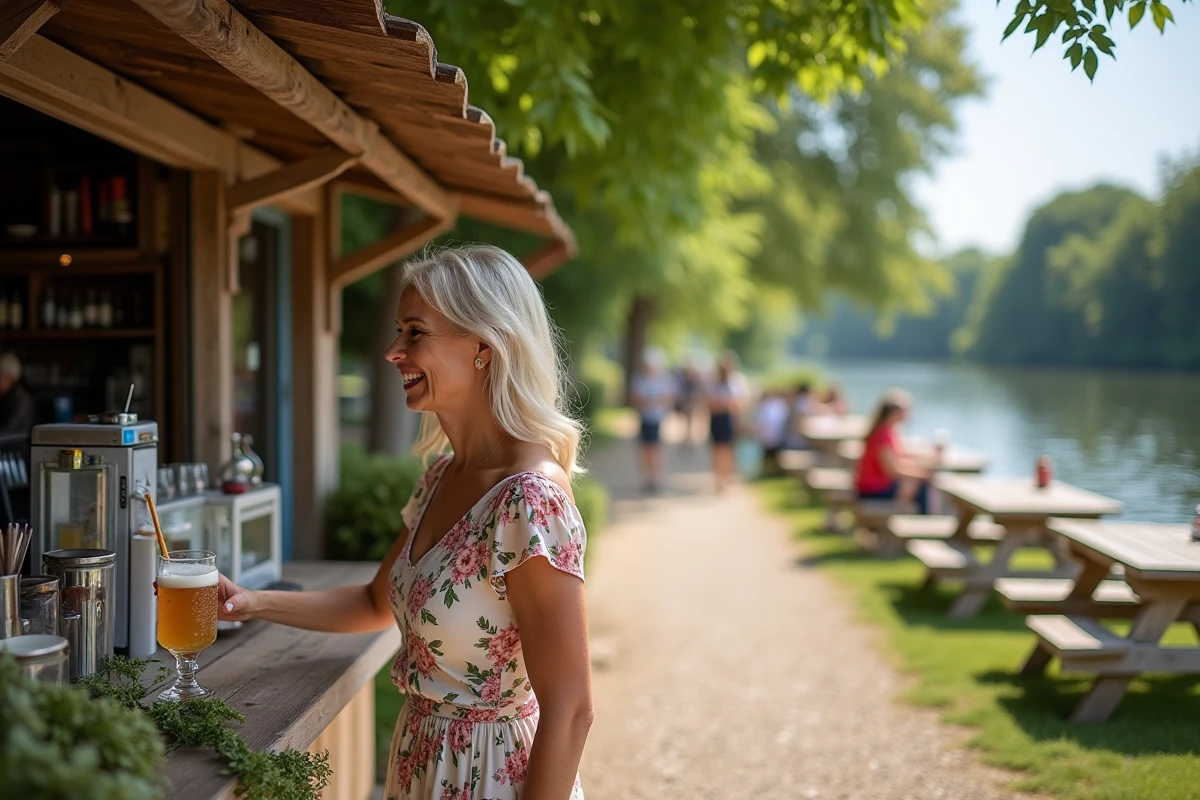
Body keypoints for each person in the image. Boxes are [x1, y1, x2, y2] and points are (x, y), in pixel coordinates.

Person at [218, 245, 591, 800]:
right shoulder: (441, 475)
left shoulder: (528, 502)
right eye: (399, 330)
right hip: (420, 762)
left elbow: (571, 709)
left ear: (484, 345)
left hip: (489, 778)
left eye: (415, 332)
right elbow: (374, 603)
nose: (393, 352)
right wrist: (251, 602)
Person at [855, 389, 931, 514]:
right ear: (896, 412)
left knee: (916, 483)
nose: (910, 414)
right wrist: (922, 475)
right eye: (907, 411)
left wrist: (922, 466)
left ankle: (921, 523)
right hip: (872, 491)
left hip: (872, 487)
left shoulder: (886, 431)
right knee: (920, 486)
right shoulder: (883, 435)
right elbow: (892, 470)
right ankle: (925, 526)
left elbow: (898, 457)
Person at [630, 349, 676, 493]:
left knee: (656, 449)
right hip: (644, 418)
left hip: (657, 419)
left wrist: (653, 401)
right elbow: (635, 399)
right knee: (645, 449)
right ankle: (647, 477)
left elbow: (669, 399)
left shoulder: (663, 381)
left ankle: (656, 477)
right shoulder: (640, 380)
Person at [705, 351, 748, 493]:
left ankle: (727, 476)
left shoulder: (737, 381)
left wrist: (725, 405)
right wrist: (726, 404)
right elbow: (708, 402)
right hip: (717, 419)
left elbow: (741, 403)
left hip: (731, 420)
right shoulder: (713, 381)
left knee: (728, 450)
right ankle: (719, 478)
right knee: (717, 449)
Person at [754, 389, 789, 475]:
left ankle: (772, 472)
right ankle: (769, 472)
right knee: (769, 456)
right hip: (772, 437)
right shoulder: (776, 405)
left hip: (773, 437)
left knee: (772, 456)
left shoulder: (774, 406)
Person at [0, 353, 36, 435]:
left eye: (1, 376)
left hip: (15, 444)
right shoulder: (4, 396)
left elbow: (10, 428)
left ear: (10, 377)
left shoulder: (20, 399)